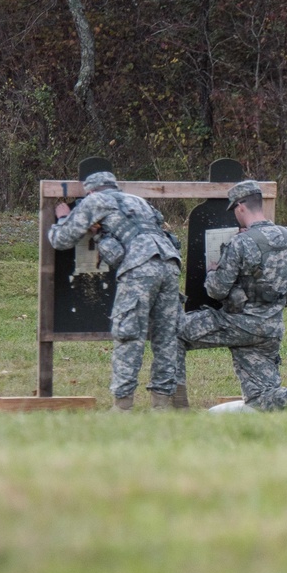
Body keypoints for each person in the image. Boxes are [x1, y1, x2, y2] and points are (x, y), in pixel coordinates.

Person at [174, 179, 287, 412]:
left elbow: (216, 290)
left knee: (172, 333)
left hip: (237, 323)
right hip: (271, 327)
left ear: (240, 207)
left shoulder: (240, 243)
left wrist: (212, 271)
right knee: (260, 397)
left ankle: (176, 407)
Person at [49, 171, 182, 411]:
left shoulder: (95, 201)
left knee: (128, 334)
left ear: (90, 191)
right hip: (170, 263)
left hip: (140, 267)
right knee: (166, 338)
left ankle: (122, 406)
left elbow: (61, 240)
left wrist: (62, 218)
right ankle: (162, 406)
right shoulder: (138, 201)